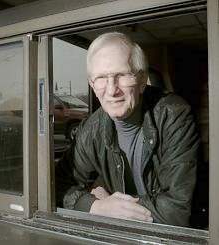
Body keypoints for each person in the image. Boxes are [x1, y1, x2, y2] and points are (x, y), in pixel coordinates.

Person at [63, 32, 200, 227]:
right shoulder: (91, 129)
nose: (111, 90)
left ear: (142, 80)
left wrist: (113, 204)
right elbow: (57, 187)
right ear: (93, 85)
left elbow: (177, 210)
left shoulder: (174, 116)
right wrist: (97, 207)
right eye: (101, 78)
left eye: (121, 76)